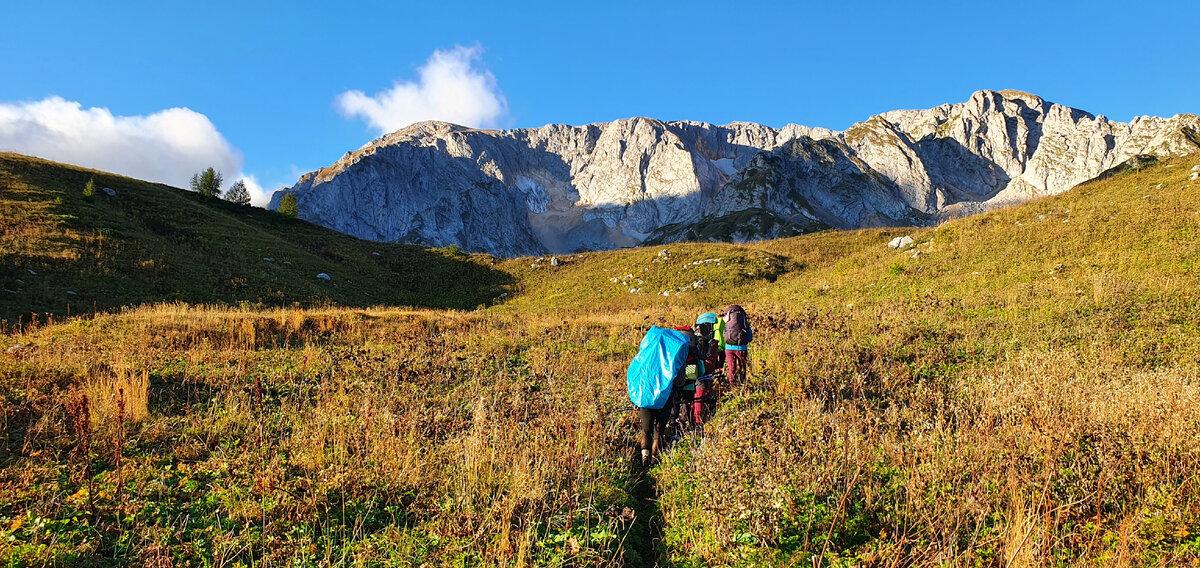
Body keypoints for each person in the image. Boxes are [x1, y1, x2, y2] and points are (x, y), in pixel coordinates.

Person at [627, 326, 693, 467]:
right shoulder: (676, 355)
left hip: (645, 397)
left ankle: (645, 459)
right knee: (659, 430)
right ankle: (654, 459)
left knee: (646, 430)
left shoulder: (646, 355)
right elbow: (680, 381)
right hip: (665, 398)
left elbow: (634, 375)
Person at [722, 305, 753, 386]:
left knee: (731, 368)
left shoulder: (727, 319)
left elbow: (723, 333)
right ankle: (743, 384)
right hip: (741, 348)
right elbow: (750, 338)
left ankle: (732, 385)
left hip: (728, 347)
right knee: (742, 367)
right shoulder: (743, 321)